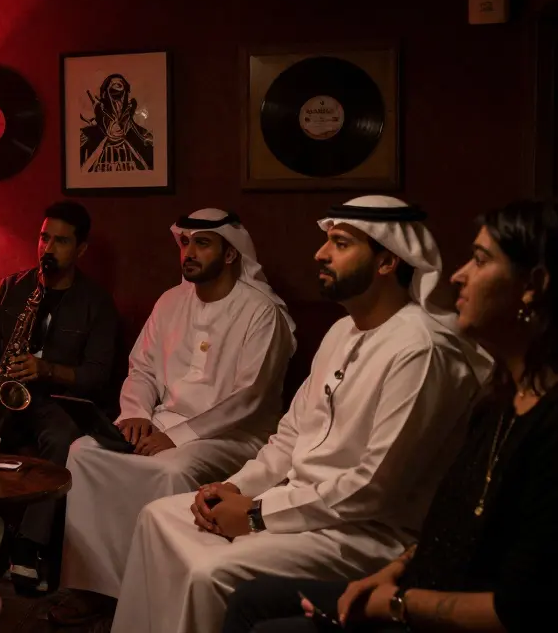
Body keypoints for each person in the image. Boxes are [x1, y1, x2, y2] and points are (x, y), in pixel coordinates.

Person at [110, 195, 492, 633]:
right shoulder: (341, 330)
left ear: (387, 261)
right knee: (157, 517)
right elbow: (289, 437)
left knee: (208, 572)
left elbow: (373, 487)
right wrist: (232, 487)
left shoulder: (420, 350)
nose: (320, 253)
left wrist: (255, 513)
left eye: (340, 243)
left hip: (364, 533)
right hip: (297, 507)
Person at [221, 200, 558, 633]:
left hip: (436, 598)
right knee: (249, 600)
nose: (457, 274)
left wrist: (396, 602)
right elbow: (454, 519)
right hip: (416, 575)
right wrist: (395, 572)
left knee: (254, 608)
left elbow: (525, 606)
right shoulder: (503, 401)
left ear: (534, 285)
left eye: (481, 260)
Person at [51, 209, 297, 626]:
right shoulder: (170, 301)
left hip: (235, 436)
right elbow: (142, 368)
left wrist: (178, 437)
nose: (189, 251)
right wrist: (135, 415)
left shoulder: (260, 313)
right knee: (84, 453)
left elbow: (249, 399)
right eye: (185, 242)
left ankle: (156, 592)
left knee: (170, 471)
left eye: (202, 243)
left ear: (232, 253)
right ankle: (93, 588)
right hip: (162, 424)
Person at [0, 199, 120, 592]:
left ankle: (27, 545)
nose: (48, 249)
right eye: (44, 238)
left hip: (55, 400)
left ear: (81, 249)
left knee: (61, 442)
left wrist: (47, 369)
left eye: (61, 241)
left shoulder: (97, 303)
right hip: (4, 391)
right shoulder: (11, 287)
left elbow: (98, 377)